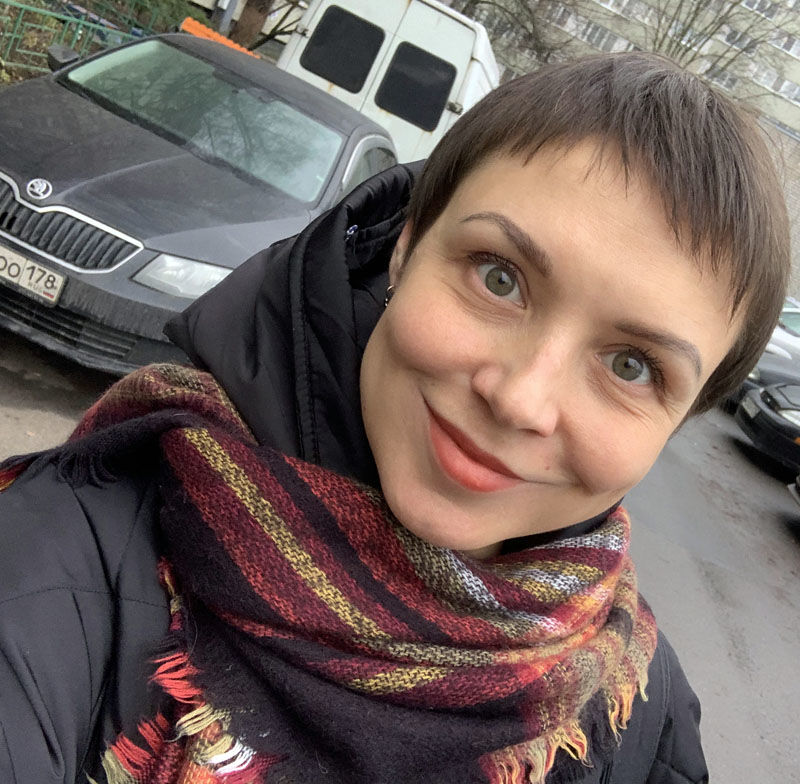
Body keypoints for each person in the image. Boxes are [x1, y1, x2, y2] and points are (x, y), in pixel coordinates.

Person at [0, 51, 789, 784]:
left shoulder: (640, 706)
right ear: (406, 248)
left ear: (676, 422)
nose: (520, 399)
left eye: (631, 366)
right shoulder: (58, 561)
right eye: (499, 277)